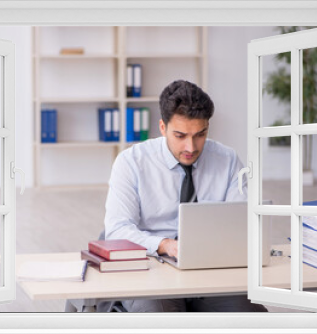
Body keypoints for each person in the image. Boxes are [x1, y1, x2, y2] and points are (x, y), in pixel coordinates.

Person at [103, 80, 267, 312]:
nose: (191, 146)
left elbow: (242, 222)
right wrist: (165, 245)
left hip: (211, 270)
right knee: (163, 321)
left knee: (249, 318)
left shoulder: (227, 160)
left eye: (200, 134)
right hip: (152, 267)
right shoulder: (131, 163)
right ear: (162, 127)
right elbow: (117, 230)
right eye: (180, 135)